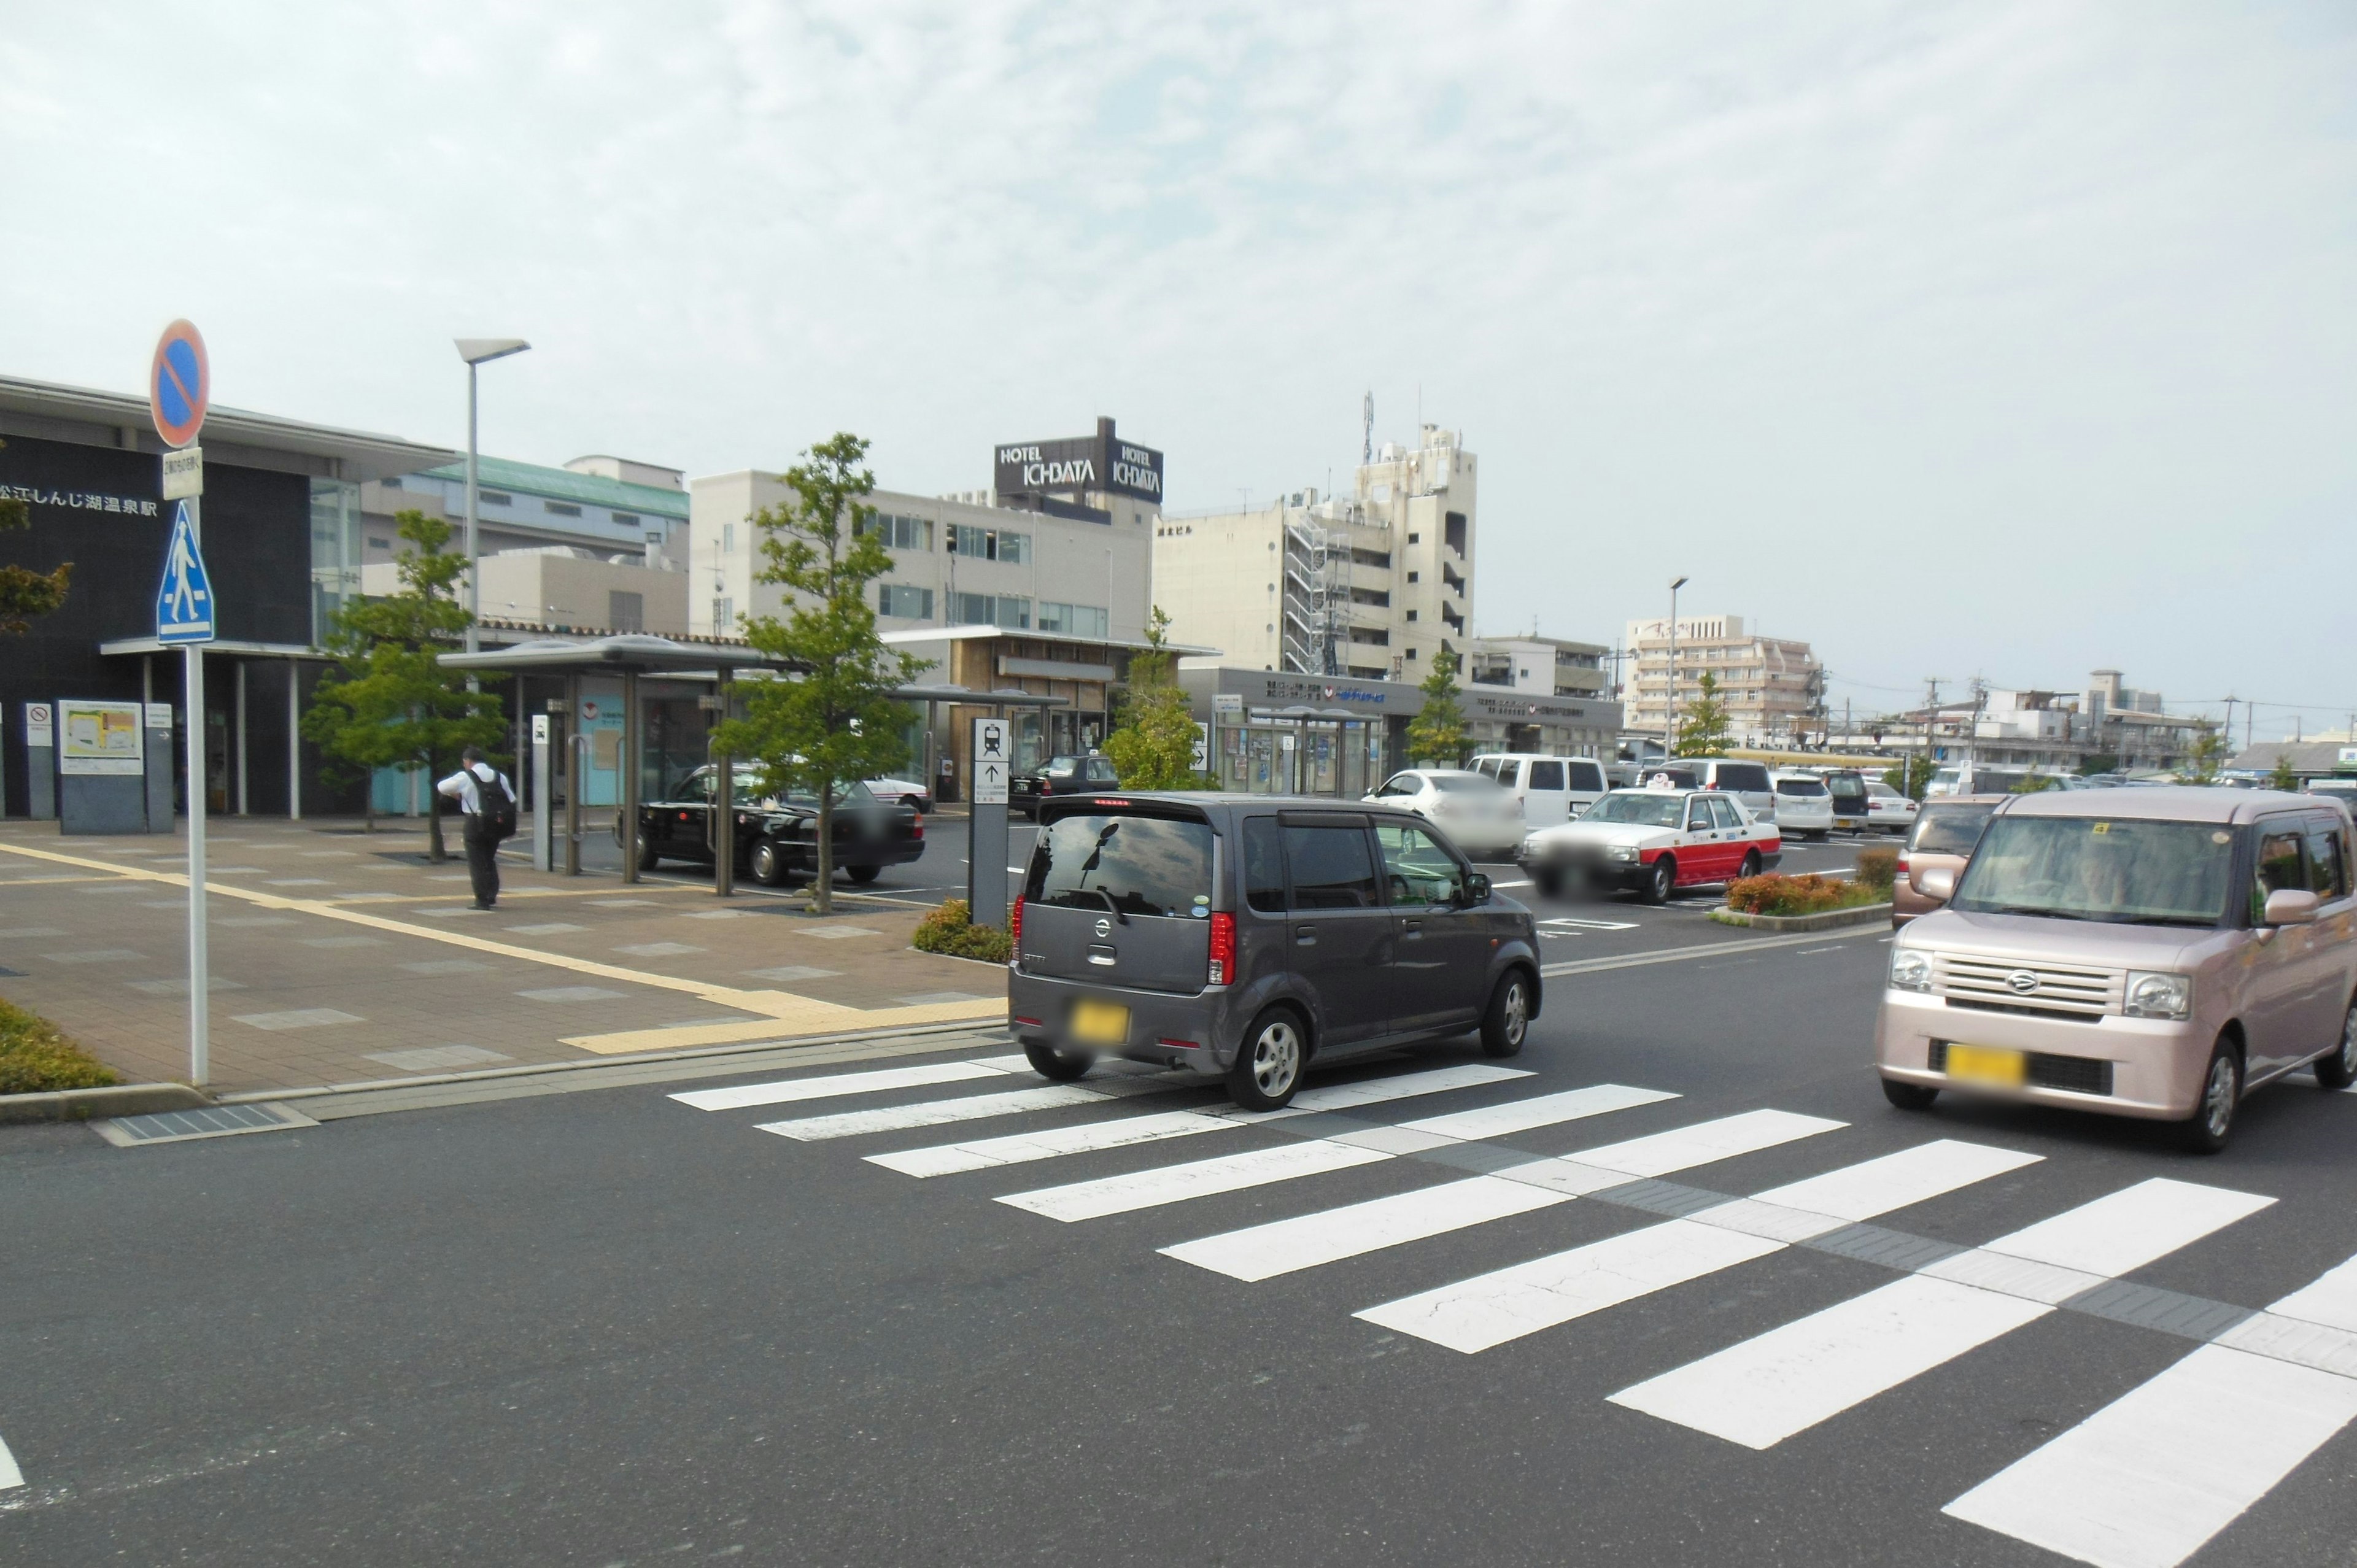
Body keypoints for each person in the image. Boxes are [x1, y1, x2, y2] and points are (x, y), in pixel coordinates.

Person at [436, 745, 517, 910]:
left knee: (476, 862)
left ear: (468, 761)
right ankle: (492, 895)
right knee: (489, 859)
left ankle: (482, 901)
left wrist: (456, 794)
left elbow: (441, 787)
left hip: (475, 823)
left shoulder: (465, 776)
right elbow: (511, 799)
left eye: (464, 762)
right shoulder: (499, 776)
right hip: (496, 822)